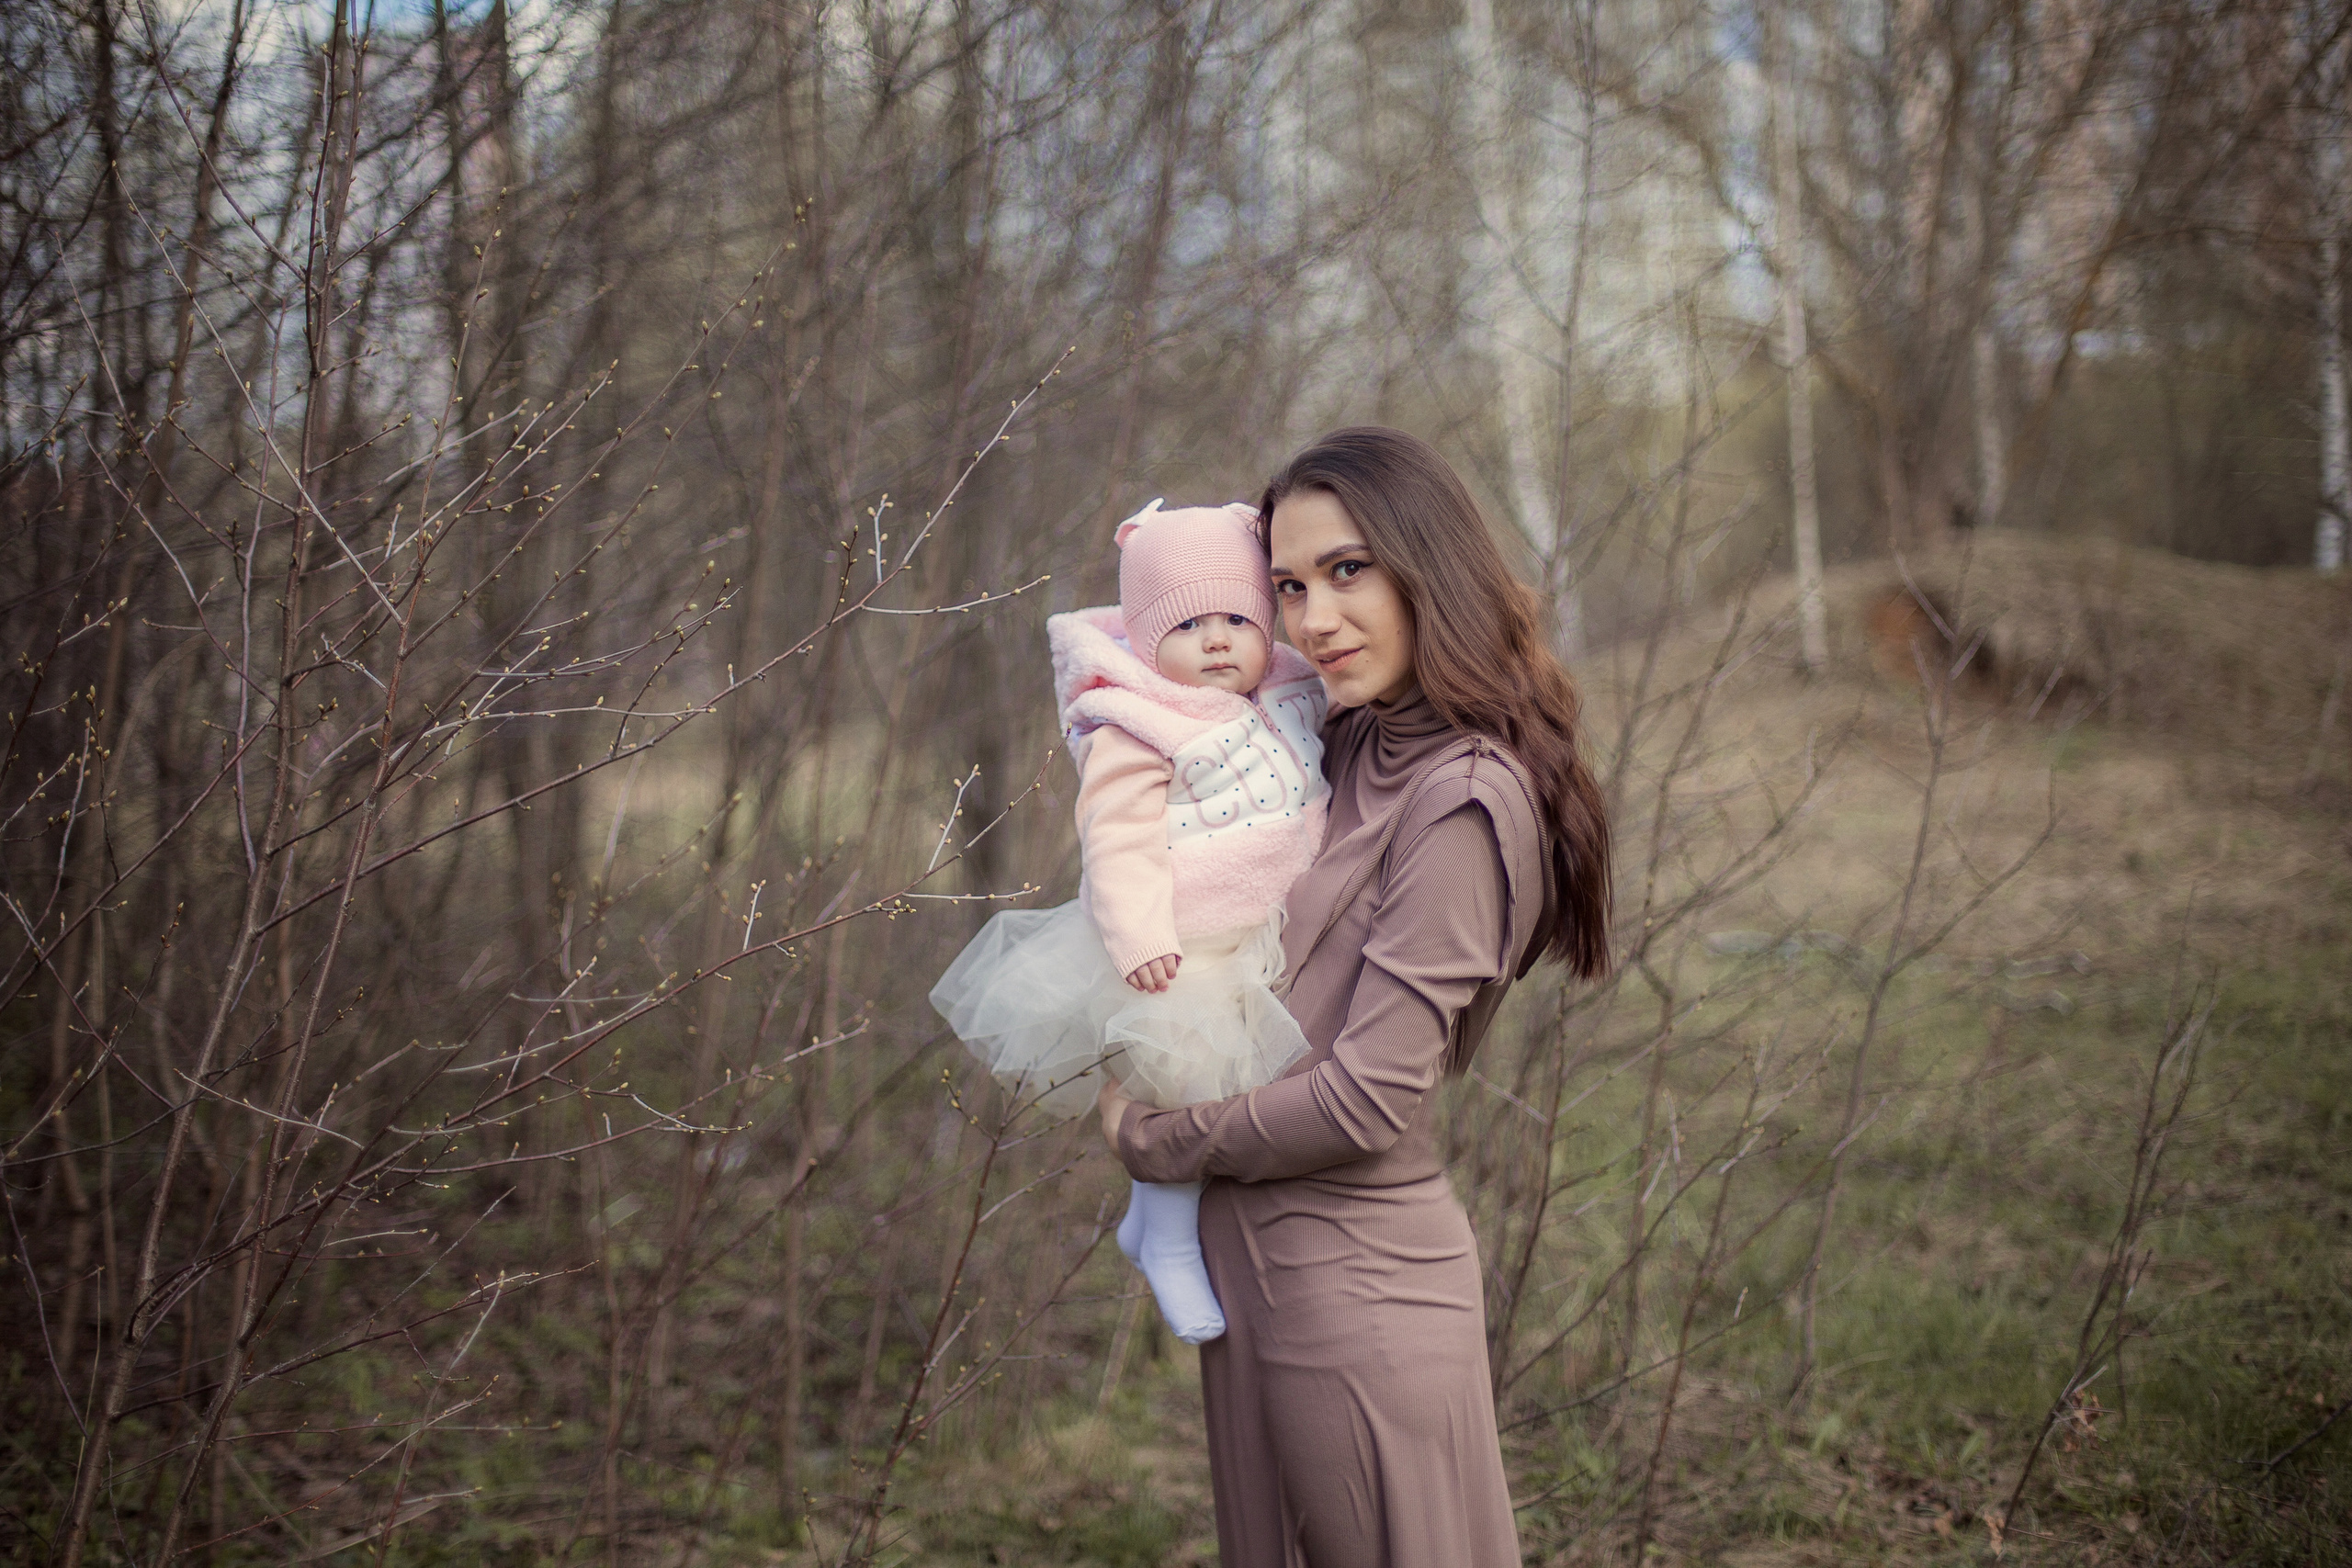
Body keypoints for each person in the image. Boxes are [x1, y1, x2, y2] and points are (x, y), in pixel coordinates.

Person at [1097, 428, 1613, 1567]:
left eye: (1348, 571)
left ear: (1430, 567)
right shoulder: (1337, 744)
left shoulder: (1464, 800)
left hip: (1352, 1293)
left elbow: (1370, 1097)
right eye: (1286, 586)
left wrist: (1157, 1138)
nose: (1313, 618)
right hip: (1259, 1276)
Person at [931, 499, 1330, 1344]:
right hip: (1184, 951)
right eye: (1188, 623)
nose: (1217, 639)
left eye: (1236, 617)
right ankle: (1170, 1238)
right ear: (1148, 639)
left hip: (1269, 936)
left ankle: (1152, 1228)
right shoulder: (1137, 722)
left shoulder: (1294, 690)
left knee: (1247, 1097)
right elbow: (1116, 839)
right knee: (1188, 1096)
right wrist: (1141, 934)